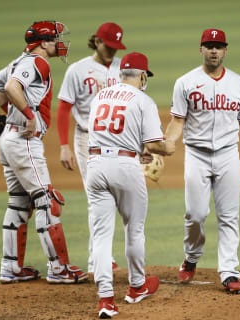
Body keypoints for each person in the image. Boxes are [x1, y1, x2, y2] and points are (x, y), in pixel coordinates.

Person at [164, 28, 240, 294]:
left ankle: (229, 272)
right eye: (209, 45)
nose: (213, 50)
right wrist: (168, 142)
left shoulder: (238, 83)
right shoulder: (185, 82)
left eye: (218, 46)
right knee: (195, 215)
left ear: (225, 50)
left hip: (228, 155)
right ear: (201, 50)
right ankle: (192, 256)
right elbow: (178, 120)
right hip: (196, 155)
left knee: (229, 216)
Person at [0, 20, 88, 284]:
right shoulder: (38, 62)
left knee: (19, 202)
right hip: (24, 141)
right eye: (55, 38)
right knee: (47, 201)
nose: (59, 43)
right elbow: (10, 88)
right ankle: (59, 269)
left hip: (8, 139)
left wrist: (11, 114)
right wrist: (28, 115)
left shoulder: (17, 61)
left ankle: (10, 268)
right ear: (43, 42)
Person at [86, 52, 175, 319]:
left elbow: (111, 134)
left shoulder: (99, 96)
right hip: (125, 169)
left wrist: (136, 150)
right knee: (133, 229)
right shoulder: (142, 100)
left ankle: (105, 299)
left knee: (100, 236)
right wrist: (167, 147)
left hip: (95, 165)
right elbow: (155, 144)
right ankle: (137, 286)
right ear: (143, 76)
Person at [57, 22, 126, 273]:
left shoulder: (124, 69)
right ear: (97, 41)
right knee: (98, 198)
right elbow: (64, 108)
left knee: (119, 198)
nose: (112, 52)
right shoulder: (78, 70)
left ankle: (102, 257)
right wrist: (64, 145)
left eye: (116, 47)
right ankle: (98, 259)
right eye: (108, 46)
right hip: (88, 139)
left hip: (119, 139)